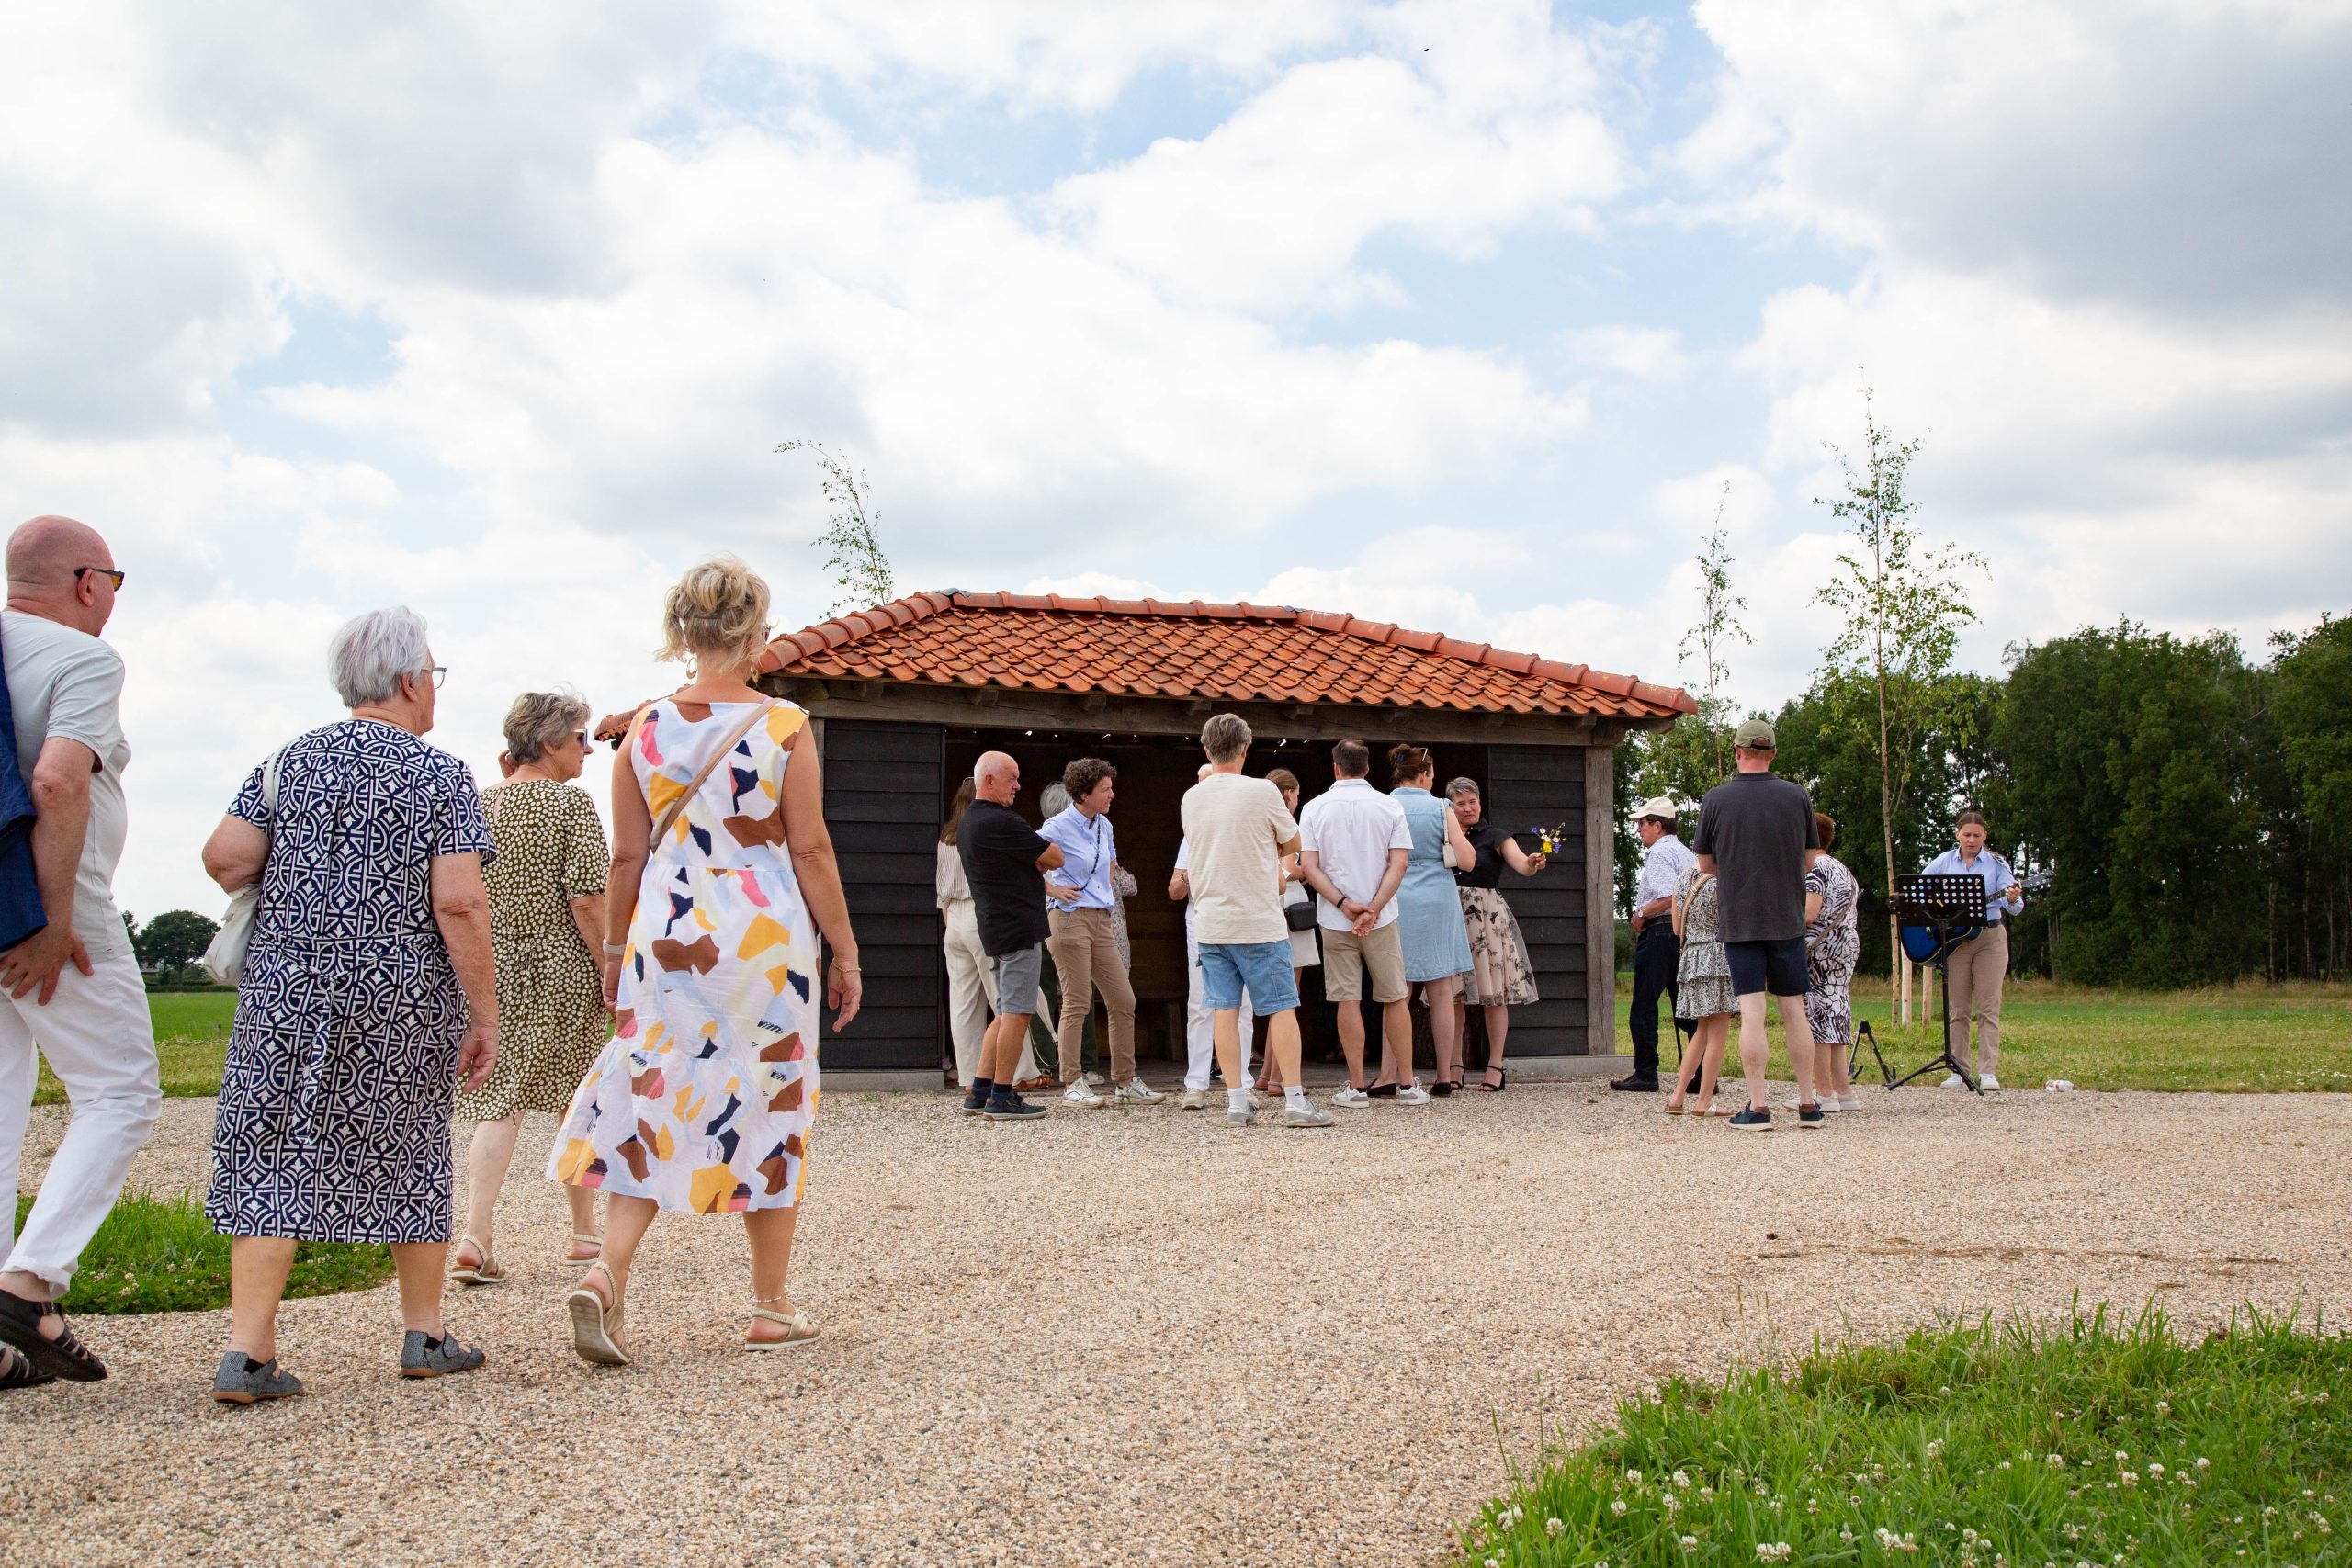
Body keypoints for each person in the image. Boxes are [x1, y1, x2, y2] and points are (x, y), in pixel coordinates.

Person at [548, 557, 863, 1364]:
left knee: (652, 1093)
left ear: (681, 634)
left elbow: (625, 856)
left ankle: (609, 1274)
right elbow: (812, 847)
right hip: (763, 939)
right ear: (757, 633)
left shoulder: (642, 732)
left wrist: (616, 952)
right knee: (771, 1098)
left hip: (665, 932)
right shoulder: (784, 726)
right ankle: (769, 1306)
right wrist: (846, 950)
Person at [199, 606, 500, 1401]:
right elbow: (461, 903)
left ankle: (249, 1352)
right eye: (433, 674)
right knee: (409, 1147)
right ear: (408, 682)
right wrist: (485, 1014)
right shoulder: (441, 774)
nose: (435, 690)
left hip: (287, 989)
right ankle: (424, 1333)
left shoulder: (286, 761)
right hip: (400, 993)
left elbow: (225, 858)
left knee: (275, 1147)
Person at [0, 516, 160, 1391]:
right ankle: (28, 1283)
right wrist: (53, 918)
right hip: (51, 905)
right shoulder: (84, 659)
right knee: (122, 1090)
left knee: (0, 1103)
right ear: (89, 582)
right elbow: (58, 780)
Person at [449, 691, 611, 1288]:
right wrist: (608, 969)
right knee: (580, 1096)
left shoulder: (478, 803)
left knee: (501, 1099)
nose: (588, 749)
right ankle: (577, 1232)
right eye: (579, 738)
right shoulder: (572, 805)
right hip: (562, 968)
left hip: (492, 968)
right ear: (548, 742)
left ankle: (479, 1231)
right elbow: (588, 898)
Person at [1179, 715, 1331, 1128]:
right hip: (1258, 920)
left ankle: (1236, 1099)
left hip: (1211, 921)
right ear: (1245, 749)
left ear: (1207, 750)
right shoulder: (1264, 791)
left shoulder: (1192, 797)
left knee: (1223, 1010)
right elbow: (1294, 841)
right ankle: (1296, 1102)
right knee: (1281, 1008)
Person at [1690, 719, 1824, 1131]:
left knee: (1751, 1011)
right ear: (1773, 754)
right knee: (1794, 1010)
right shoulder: (1797, 797)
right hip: (1787, 917)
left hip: (1741, 919)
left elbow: (1706, 865)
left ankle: (1759, 1106)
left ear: (1737, 752)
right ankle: (1808, 1104)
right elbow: (1808, 860)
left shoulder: (1716, 800)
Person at [1296, 739, 1413, 1106]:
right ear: (1367, 768)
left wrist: (1345, 904)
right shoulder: (1389, 805)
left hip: (1335, 917)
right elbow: (1399, 864)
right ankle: (1408, 1084)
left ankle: (1358, 1086)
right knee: (1395, 996)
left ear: (1335, 768)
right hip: (1382, 916)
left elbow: (1310, 867)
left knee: (1346, 997)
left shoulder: (1314, 808)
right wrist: (1374, 907)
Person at [1041, 760, 1160, 1106]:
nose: (1112, 793)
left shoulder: (1103, 825)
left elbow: (1110, 866)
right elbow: (1025, 863)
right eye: (1106, 789)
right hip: (1068, 919)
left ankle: (1125, 1080)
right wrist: (1053, 890)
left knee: (1123, 999)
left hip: (1100, 920)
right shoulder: (1057, 826)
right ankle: (1072, 1082)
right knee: (1077, 1000)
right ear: (1084, 793)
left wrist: (1105, 898)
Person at [955, 751, 1061, 1122]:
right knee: (1018, 1013)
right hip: (1018, 926)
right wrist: (1034, 858)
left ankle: (980, 1090)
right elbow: (1055, 857)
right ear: (989, 781)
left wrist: (1030, 858)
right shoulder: (1003, 822)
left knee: (1003, 1011)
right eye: (1012, 778)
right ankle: (1002, 1096)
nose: (1018, 786)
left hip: (995, 926)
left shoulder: (970, 821)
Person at [1442, 778, 1547, 1092]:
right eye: (1461, 803)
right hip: (1449, 914)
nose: (1469, 808)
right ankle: (1454, 1064)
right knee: (1452, 995)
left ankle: (1496, 1064)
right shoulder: (1442, 834)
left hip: (1486, 919)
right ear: (1451, 807)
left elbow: (1523, 865)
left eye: (1472, 801)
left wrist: (1532, 863)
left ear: (1480, 803)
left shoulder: (1497, 836)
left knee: (1494, 994)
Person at [939, 781, 1042, 1094]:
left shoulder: (945, 838)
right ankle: (1019, 1073)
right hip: (980, 915)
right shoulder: (985, 832)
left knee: (963, 1005)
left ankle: (970, 1077)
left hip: (952, 921)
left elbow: (941, 893)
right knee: (1007, 1000)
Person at [1386, 745, 1476, 1093]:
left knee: (1397, 992)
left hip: (1396, 896)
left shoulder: (1386, 805)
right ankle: (1443, 1074)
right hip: (1438, 898)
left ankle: (1392, 1073)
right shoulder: (1441, 807)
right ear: (1424, 775)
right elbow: (1467, 860)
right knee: (1441, 991)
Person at [1170, 762, 1253, 1110]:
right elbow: (1174, 890)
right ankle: (1197, 1083)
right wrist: (1190, 875)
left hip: (1241, 920)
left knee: (1245, 1003)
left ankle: (1243, 1082)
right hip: (1202, 921)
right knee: (1202, 1000)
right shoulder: (1191, 837)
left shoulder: (1242, 828)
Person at [1923, 808, 2022, 1091]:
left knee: (1989, 1007)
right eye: (1966, 835)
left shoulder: (1997, 864)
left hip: (1990, 937)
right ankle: (1958, 1070)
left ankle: (1988, 1071)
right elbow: (1920, 890)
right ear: (1957, 834)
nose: (1971, 840)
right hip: (1956, 940)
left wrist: (2012, 898)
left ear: (1985, 836)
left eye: (1977, 836)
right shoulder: (1943, 861)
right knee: (1958, 1009)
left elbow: (2014, 907)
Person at [1612, 796, 1695, 1093]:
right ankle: (1698, 1073)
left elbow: (1668, 896)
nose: (1638, 831)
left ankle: (1646, 1072)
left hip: (1659, 933)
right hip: (1684, 936)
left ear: (1657, 825)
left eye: (1642, 824)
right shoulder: (1687, 854)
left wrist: (1640, 913)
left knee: (1644, 1005)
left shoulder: (1659, 854)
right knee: (1685, 1005)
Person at [1259, 768, 1322, 1092]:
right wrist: (1305, 872)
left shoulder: (1259, 822)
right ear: (1289, 793)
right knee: (1288, 995)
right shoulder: (1288, 826)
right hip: (1291, 905)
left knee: (1278, 995)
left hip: (1271, 905)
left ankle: (1268, 1074)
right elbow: (1291, 868)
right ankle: (1280, 1078)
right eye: (1296, 792)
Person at [1663, 859, 1733, 1117]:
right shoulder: (1721, 882)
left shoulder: (1682, 880)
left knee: (1702, 1030)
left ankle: (1677, 1096)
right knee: (1719, 1031)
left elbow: (1676, 928)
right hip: (1718, 957)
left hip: (1692, 957)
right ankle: (1703, 1102)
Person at [1804, 813, 1862, 1112]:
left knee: (1816, 1018)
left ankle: (1823, 1092)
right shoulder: (1842, 869)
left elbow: (1810, 913)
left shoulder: (1815, 870)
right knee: (1837, 1014)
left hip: (1820, 950)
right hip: (1845, 946)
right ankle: (1844, 1091)